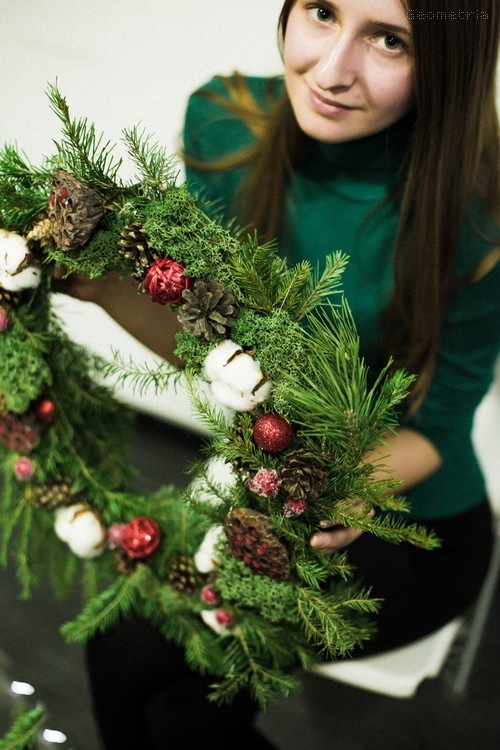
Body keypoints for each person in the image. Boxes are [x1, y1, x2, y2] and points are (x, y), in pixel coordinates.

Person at [57, 1, 499, 747]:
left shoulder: (478, 210)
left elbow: (434, 429)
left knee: (170, 684)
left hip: (409, 522)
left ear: (448, 63)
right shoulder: (225, 125)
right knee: (135, 656)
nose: (331, 71)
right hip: (270, 488)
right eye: (322, 12)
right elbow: (221, 356)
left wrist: (333, 493)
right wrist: (102, 288)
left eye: (390, 41)